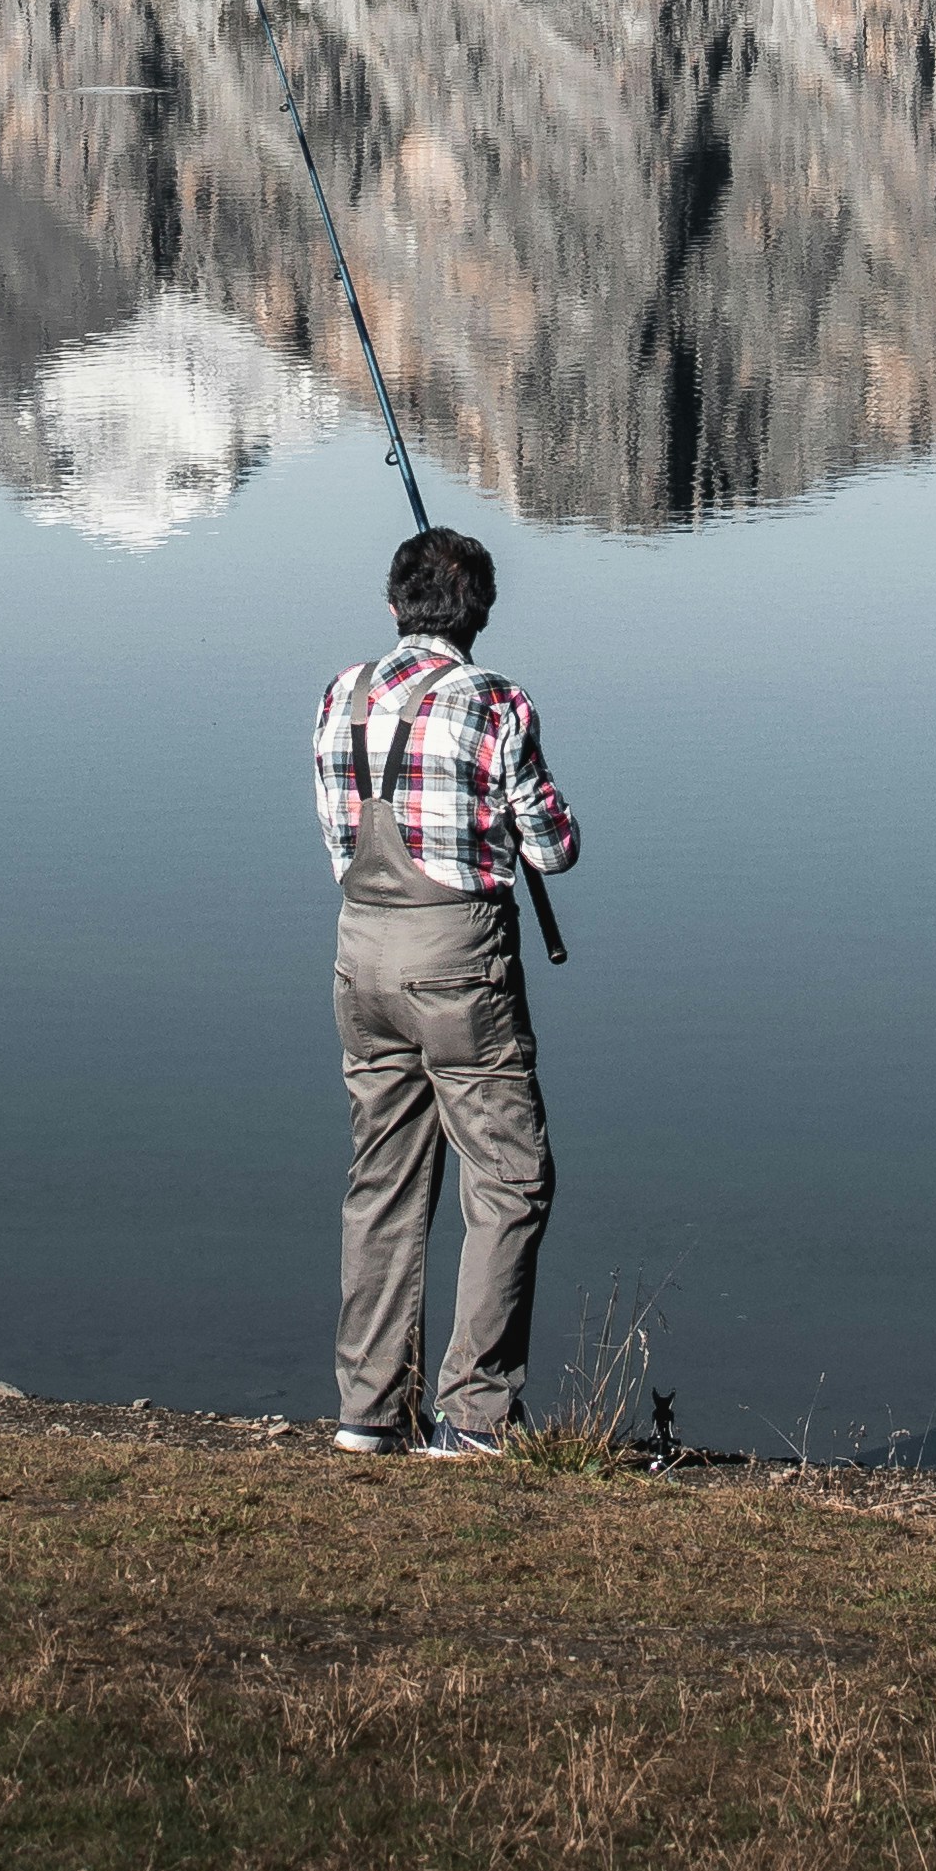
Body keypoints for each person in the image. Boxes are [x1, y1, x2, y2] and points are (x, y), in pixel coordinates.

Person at [311, 524, 579, 1456]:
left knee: (382, 1180)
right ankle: (473, 1415)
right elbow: (551, 847)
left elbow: (335, 835)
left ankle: (368, 1413)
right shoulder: (494, 699)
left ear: (394, 605)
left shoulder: (339, 693)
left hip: (359, 954)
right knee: (508, 1176)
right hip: (458, 960)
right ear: (481, 613)